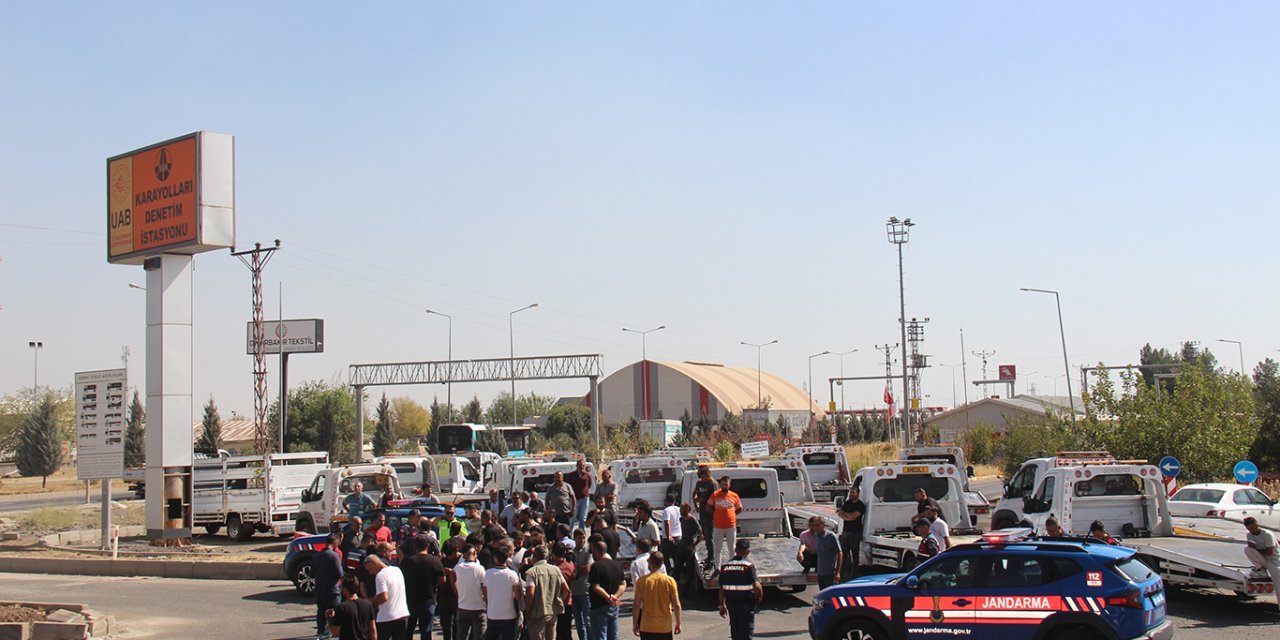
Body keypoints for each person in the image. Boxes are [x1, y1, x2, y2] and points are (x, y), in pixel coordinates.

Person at [402, 534, 446, 640]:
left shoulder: (407, 561)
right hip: (428, 599)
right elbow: (443, 579)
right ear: (428, 546)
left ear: (415, 546)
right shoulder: (435, 561)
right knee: (426, 632)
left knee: (408, 631)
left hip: (410, 600)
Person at [718, 539, 762, 640]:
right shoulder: (748, 566)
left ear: (735, 550)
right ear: (747, 551)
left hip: (731, 605)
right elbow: (757, 585)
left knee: (735, 631)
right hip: (746, 605)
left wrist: (721, 605)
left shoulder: (725, 566)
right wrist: (759, 597)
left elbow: (721, 589)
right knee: (746, 633)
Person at [524, 545, 570, 640]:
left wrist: (527, 609)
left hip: (537, 613)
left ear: (534, 556)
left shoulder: (532, 572)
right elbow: (566, 588)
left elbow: (530, 593)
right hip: (552, 612)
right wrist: (559, 600)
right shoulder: (556, 569)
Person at [632, 552, 682, 640]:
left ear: (649, 563)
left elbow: (636, 605)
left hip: (647, 626)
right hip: (664, 627)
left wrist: (635, 623)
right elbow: (676, 605)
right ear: (662, 564)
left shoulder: (641, 581)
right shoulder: (670, 581)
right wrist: (678, 623)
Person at [481, 545, 523, 640]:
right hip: (509, 614)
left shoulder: (488, 573)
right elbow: (517, 595)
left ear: (495, 558)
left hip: (492, 614)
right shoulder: (512, 574)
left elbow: (485, 594)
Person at [365, 554, 410, 640]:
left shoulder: (380, 575)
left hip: (386, 618)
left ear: (374, 563)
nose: (370, 573)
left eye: (369, 569)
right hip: (402, 615)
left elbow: (383, 597)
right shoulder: (397, 570)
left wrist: (369, 602)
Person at [587, 540, 625, 640]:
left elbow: (596, 586)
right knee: (614, 635)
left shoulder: (596, 566)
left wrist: (608, 597)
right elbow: (623, 584)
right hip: (613, 605)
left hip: (598, 606)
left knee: (600, 635)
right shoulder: (617, 565)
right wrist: (615, 596)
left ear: (596, 551)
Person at [1243, 517, 1280, 613]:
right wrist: (1253, 547)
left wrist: (1256, 548)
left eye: (1253, 528)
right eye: (1249, 529)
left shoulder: (1267, 534)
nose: (1252, 531)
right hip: (1263, 559)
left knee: (1278, 584)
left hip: (1274, 561)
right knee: (1247, 549)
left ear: (1257, 525)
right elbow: (1252, 550)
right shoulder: (1249, 535)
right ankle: (1261, 569)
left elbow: (1270, 552)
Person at [313, 531, 345, 640]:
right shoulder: (333, 555)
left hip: (319, 590)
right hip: (332, 590)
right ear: (335, 542)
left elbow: (312, 573)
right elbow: (340, 573)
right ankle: (338, 633)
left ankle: (321, 633)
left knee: (321, 612)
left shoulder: (316, 555)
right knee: (337, 612)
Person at [710, 475, 743, 573]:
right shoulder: (715, 495)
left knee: (732, 547)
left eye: (726, 484)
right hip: (718, 526)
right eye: (723, 484)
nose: (724, 486)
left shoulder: (734, 495)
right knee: (718, 548)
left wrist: (732, 514)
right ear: (720, 484)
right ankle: (717, 568)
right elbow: (709, 506)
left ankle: (733, 566)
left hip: (731, 526)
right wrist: (716, 514)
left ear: (729, 485)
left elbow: (740, 508)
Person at [328, 574, 376, 640]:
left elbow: (335, 632)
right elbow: (373, 628)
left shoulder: (342, 607)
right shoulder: (368, 604)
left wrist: (330, 618)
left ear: (345, 590)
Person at [455, 544, 488, 640]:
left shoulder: (457, 568)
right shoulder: (479, 568)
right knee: (480, 636)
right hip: (478, 607)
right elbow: (484, 587)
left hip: (462, 606)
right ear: (474, 553)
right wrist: (487, 602)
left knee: (461, 636)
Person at [799, 517, 841, 590]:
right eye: (813, 525)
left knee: (830, 593)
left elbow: (840, 553)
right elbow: (803, 544)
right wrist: (800, 552)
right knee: (822, 593)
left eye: (817, 525)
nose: (815, 527)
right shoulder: (817, 536)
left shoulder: (831, 536)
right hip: (820, 573)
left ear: (823, 525)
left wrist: (837, 572)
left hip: (830, 573)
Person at [837, 487, 865, 581]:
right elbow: (840, 513)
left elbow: (853, 516)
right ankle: (843, 573)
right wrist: (848, 517)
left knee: (855, 554)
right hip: (845, 531)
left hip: (855, 532)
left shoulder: (860, 505)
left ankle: (854, 574)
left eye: (853, 492)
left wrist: (847, 515)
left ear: (858, 494)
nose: (851, 494)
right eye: (851, 492)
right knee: (843, 553)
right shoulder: (847, 503)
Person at [691, 466, 717, 569]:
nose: (702, 479)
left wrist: (702, 499)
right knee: (706, 535)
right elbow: (694, 494)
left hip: (710, 514)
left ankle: (712, 557)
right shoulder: (699, 483)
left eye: (703, 477)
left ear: (707, 474)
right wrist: (696, 505)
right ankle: (709, 555)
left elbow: (714, 499)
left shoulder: (713, 484)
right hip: (702, 512)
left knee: (710, 536)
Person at [551, 542, 577, 640]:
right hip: (569, 601)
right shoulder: (570, 565)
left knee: (560, 631)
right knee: (566, 630)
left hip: (561, 602)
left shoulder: (557, 569)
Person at [571, 530, 593, 640]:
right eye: (579, 538)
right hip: (574, 591)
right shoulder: (572, 552)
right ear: (574, 538)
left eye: (584, 537)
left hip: (585, 590)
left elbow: (587, 568)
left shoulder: (588, 551)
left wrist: (575, 573)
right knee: (579, 623)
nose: (582, 540)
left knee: (588, 621)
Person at [440, 538, 463, 640]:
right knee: (445, 624)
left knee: (457, 624)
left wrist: (452, 573)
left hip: (457, 595)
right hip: (444, 595)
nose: (449, 557)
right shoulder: (443, 560)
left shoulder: (462, 561)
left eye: (450, 554)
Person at [674, 503, 701, 583]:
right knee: (677, 566)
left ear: (687, 509)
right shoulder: (681, 519)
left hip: (689, 548)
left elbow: (701, 535)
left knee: (689, 570)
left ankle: (687, 587)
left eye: (682, 509)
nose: (680, 510)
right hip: (682, 546)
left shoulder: (693, 520)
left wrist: (693, 545)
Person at [567, 459, 595, 530]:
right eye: (580, 465)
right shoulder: (571, 475)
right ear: (577, 466)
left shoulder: (587, 475)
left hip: (584, 498)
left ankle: (581, 532)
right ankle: (569, 532)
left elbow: (589, 484)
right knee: (573, 517)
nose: (582, 467)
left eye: (583, 465)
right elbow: (568, 486)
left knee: (583, 517)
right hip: (574, 499)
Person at [660, 494, 682, 575]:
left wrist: (668, 535)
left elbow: (667, 522)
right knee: (676, 557)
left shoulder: (667, 510)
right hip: (678, 536)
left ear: (666, 501)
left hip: (668, 538)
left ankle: (668, 573)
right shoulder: (679, 509)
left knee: (664, 556)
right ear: (674, 501)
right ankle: (676, 575)